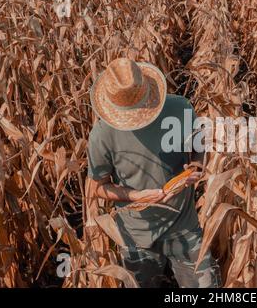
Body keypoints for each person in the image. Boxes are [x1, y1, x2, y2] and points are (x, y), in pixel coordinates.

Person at [87, 58, 220, 287]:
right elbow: (96, 187)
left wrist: (196, 166)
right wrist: (134, 196)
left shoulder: (180, 109)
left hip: (183, 225)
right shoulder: (102, 134)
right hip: (135, 235)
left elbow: (199, 141)